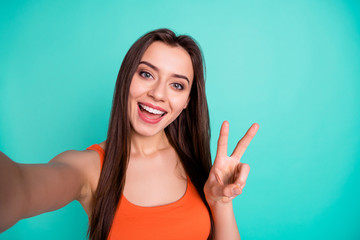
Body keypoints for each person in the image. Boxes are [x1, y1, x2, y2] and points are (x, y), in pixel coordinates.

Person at [0, 28, 259, 240]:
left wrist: (221, 203)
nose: (158, 94)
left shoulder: (195, 163)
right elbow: (20, 187)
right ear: (126, 78)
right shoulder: (89, 168)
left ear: (187, 102)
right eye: (146, 74)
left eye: (177, 85)